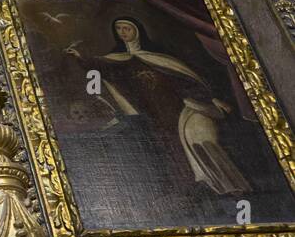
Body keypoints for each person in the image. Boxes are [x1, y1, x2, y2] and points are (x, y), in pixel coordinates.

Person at [66, 18, 249, 196]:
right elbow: (98, 66)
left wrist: (211, 98)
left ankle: (220, 184)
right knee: (168, 149)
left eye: (126, 28)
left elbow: (185, 78)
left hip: (178, 107)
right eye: (119, 29)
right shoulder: (118, 60)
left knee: (199, 141)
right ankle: (190, 187)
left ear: (137, 31)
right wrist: (80, 58)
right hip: (153, 113)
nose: (123, 32)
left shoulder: (159, 55)